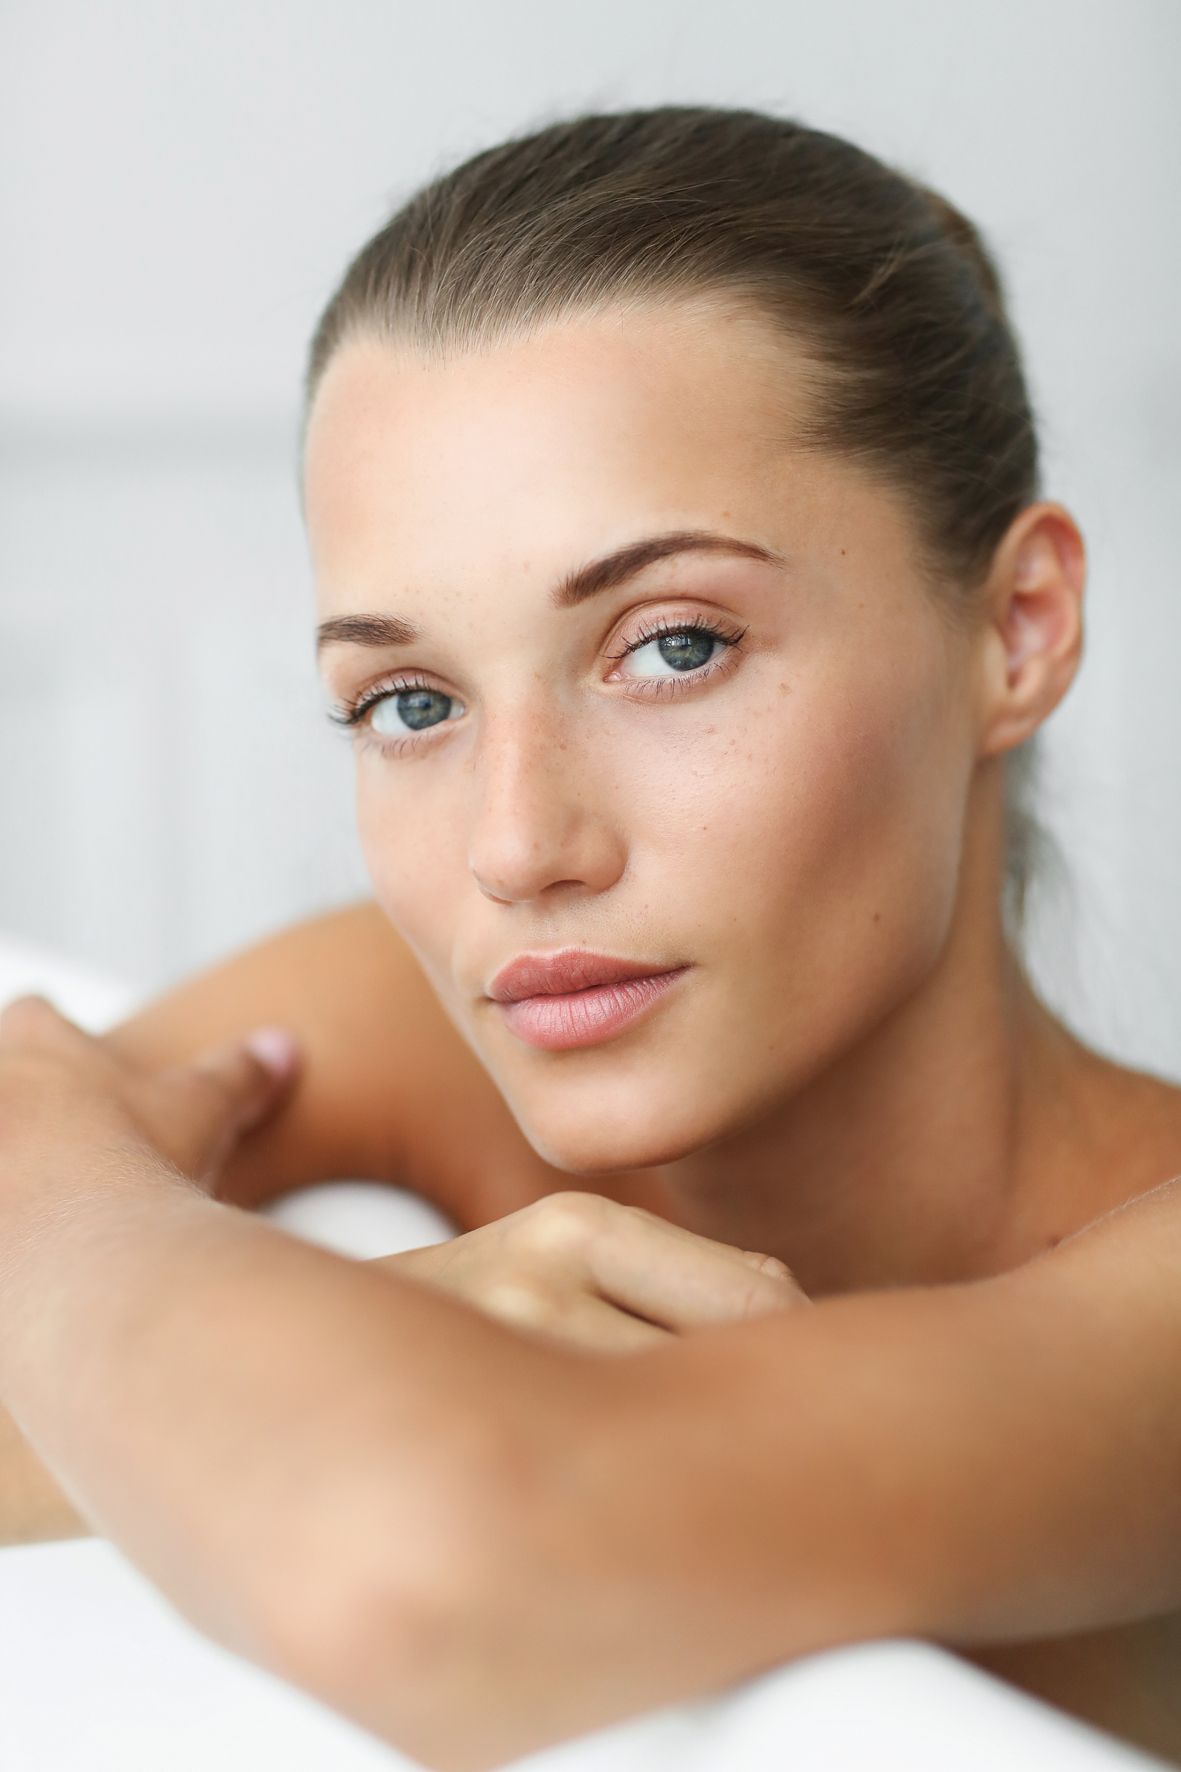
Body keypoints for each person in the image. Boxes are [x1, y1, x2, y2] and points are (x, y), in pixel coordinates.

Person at [2, 107, 1181, 1770]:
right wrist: (407, 1311)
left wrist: (46, 1142)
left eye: (673, 648)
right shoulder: (444, 1027)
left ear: (1016, 629)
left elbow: (418, 1582)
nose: (514, 848)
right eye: (408, 701)